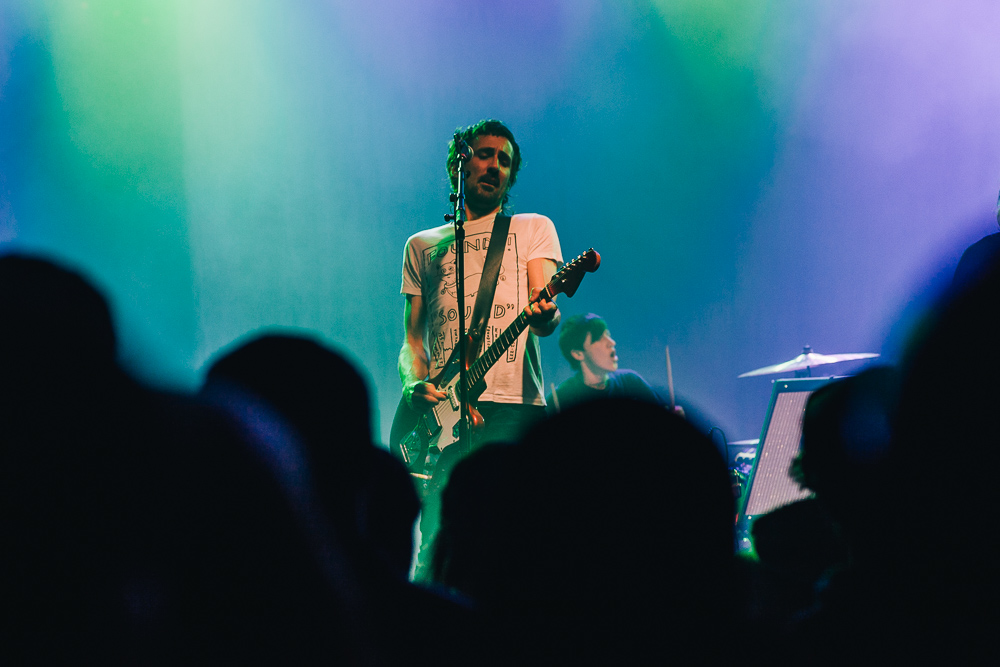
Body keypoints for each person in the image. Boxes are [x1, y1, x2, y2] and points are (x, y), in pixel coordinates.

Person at [397, 119, 562, 571]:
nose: (494, 166)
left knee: (512, 537)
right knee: (439, 536)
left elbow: (544, 311)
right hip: (443, 413)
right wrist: (414, 385)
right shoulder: (421, 246)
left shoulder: (532, 229)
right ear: (460, 162)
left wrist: (547, 314)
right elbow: (413, 339)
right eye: (485, 154)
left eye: (504, 161)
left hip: (514, 405)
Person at [548, 313, 662, 413]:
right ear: (578, 354)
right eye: (599, 338)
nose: (611, 342)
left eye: (608, 335)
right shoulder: (561, 398)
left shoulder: (631, 383)